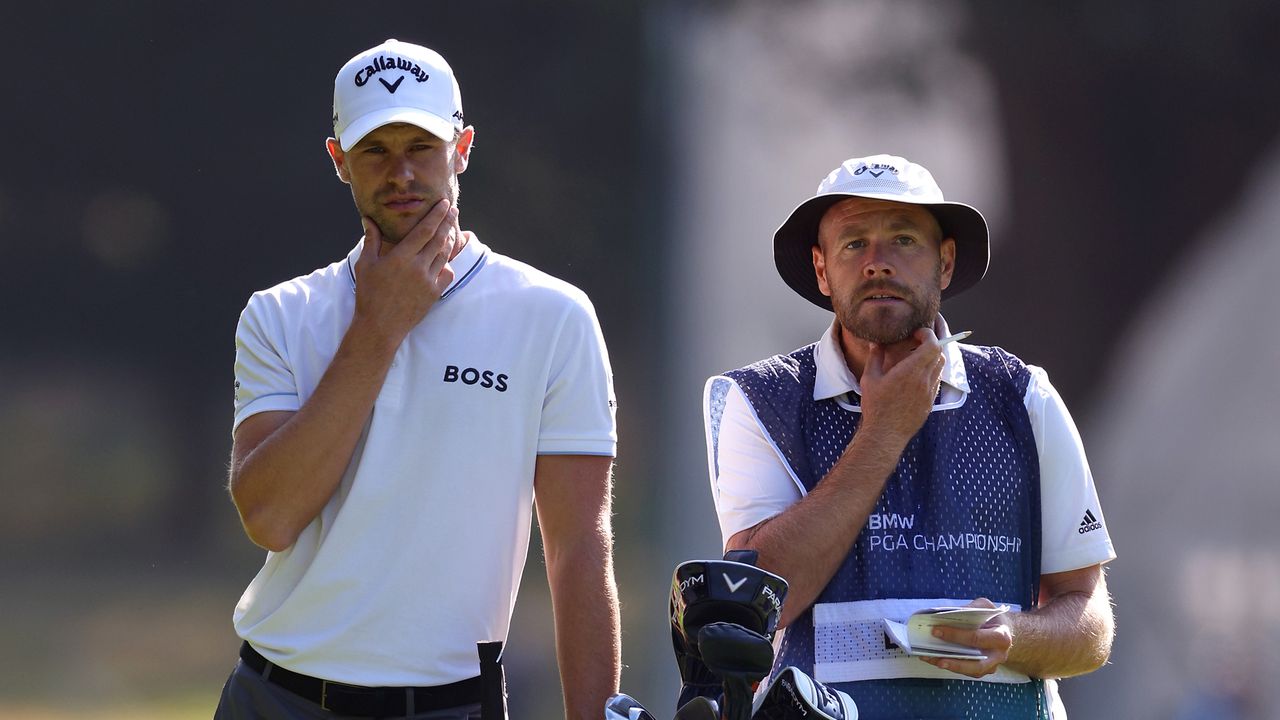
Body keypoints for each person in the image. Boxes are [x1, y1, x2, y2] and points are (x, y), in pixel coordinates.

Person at [216, 39, 620, 720]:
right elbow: (271, 516)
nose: (401, 173)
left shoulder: (553, 316)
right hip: (276, 697)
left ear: (461, 148)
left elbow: (579, 545)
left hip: (450, 706)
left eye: (422, 147)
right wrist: (378, 328)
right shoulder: (280, 315)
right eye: (375, 149)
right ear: (339, 161)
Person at [701, 154, 1115, 719]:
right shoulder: (760, 401)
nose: (877, 263)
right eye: (854, 244)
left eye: (902, 240)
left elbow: (1089, 622)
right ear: (822, 270)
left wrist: (1013, 636)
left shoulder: (1024, 397)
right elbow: (762, 604)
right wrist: (883, 432)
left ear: (944, 262)